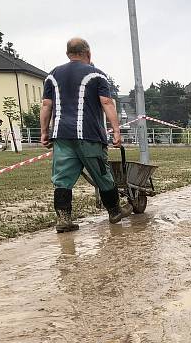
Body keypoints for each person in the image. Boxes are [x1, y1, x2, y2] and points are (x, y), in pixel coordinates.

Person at [40, 37, 130, 233]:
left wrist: (45, 132)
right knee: (102, 174)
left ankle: (64, 219)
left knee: (62, 178)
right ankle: (114, 211)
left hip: (62, 136)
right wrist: (116, 131)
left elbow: (47, 105)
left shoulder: (52, 76)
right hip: (89, 135)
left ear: (68, 54)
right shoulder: (97, 75)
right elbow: (107, 103)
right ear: (88, 54)